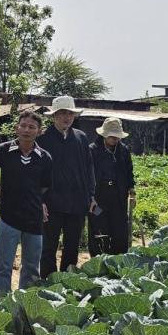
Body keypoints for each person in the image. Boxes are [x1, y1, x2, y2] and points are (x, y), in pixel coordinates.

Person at [0, 109, 54, 298]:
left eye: (32, 127)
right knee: (3, 266)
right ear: (17, 128)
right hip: (8, 216)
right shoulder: (3, 150)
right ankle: (1, 305)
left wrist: (35, 201)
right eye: (23, 126)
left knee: (31, 267)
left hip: (33, 219)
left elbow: (45, 186)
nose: (26, 130)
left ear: (39, 131)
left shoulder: (45, 157)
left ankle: (26, 306)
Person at [37, 96, 97, 276]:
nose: (67, 117)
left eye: (70, 113)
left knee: (72, 247)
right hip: (51, 204)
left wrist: (91, 196)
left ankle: (67, 283)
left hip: (77, 203)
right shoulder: (43, 139)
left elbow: (89, 169)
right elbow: (36, 174)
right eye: (62, 113)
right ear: (54, 116)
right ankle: (48, 282)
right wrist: (40, 201)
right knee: (48, 247)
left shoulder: (81, 137)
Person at [88, 117, 136, 255]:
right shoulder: (93, 150)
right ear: (104, 134)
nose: (115, 138)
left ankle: (117, 262)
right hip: (98, 196)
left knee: (119, 229)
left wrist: (132, 190)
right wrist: (90, 196)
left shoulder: (124, 151)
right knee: (99, 228)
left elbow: (129, 172)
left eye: (117, 136)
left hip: (118, 195)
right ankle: (99, 261)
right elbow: (87, 175)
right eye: (112, 135)